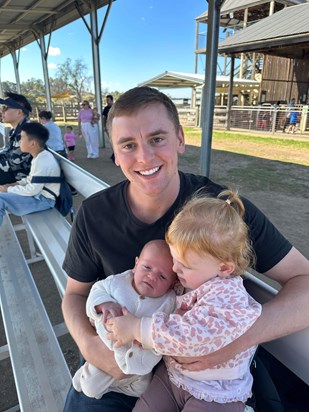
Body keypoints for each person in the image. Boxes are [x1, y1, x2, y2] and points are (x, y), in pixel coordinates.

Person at [62, 86, 309, 412]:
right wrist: (88, 345)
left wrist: (234, 338)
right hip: (118, 364)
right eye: (128, 145)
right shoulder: (95, 214)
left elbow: (304, 279)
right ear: (116, 154)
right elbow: (75, 295)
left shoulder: (222, 212)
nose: (145, 157)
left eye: (157, 139)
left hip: (206, 380)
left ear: (180, 138)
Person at [107, 190, 262, 411]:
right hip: (172, 376)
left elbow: (191, 334)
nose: (174, 268)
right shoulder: (189, 280)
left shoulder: (227, 297)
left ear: (224, 268)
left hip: (215, 392)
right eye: (174, 258)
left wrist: (137, 328)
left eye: (185, 265)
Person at [72, 239, 177, 400]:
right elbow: (97, 290)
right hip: (109, 349)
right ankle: (85, 375)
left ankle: (118, 385)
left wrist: (152, 340)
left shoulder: (168, 302)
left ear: (171, 285)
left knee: (142, 388)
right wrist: (102, 304)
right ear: (136, 264)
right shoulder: (118, 282)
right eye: (147, 267)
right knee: (90, 387)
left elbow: (170, 329)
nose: (152, 276)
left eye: (162, 276)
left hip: (141, 360)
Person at [0, 122, 60, 226]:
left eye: (22, 138)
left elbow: (33, 189)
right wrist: (14, 184)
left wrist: (8, 189)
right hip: (38, 196)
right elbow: (30, 179)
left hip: (43, 200)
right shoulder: (40, 156)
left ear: (32, 143)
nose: (19, 141)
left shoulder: (42, 160)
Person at [0, 92, 32, 185]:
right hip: (13, 174)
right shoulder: (16, 131)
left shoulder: (26, 132)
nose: (2, 111)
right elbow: (7, 152)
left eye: (5, 108)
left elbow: (14, 162)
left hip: (20, 178)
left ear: (19, 112)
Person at [102, 94, 115, 163]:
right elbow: (104, 118)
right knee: (111, 141)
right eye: (106, 100)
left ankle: (115, 154)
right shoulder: (106, 108)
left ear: (112, 100)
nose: (107, 101)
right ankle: (114, 153)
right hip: (108, 126)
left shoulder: (116, 107)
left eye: (108, 100)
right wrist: (104, 126)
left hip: (115, 127)